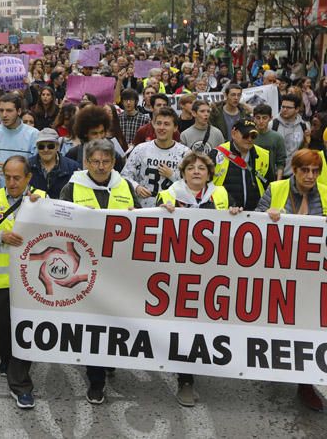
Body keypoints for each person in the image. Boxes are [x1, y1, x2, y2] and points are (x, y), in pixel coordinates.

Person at [156, 152, 242, 406]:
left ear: (209, 173)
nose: (196, 171)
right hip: (176, 268)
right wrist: (161, 211)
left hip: (212, 270)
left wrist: (236, 211)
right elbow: (149, 222)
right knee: (183, 322)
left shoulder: (222, 194)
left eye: (201, 168)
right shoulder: (170, 194)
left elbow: (239, 220)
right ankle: (185, 379)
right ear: (182, 172)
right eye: (191, 167)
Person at [59, 139, 141, 404]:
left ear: (113, 162)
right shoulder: (71, 187)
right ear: (86, 162)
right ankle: (96, 381)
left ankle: (109, 359)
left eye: (106, 161)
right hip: (86, 268)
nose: (101, 166)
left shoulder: (125, 185)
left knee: (116, 321)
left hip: (120, 268)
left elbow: (144, 218)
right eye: (95, 161)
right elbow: (58, 221)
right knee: (94, 324)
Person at [256, 148, 327, 411]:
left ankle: (306, 385)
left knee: (310, 327)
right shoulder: (276, 188)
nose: (310, 176)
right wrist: (268, 217)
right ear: (294, 170)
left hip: (314, 274)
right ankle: (275, 363)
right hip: (279, 270)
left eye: (315, 171)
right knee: (278, 321)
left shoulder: (325, 192)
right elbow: (253, 223)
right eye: (305, 170)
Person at [0, 156, 45, 410]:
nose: (12, 183)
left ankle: (21, 385)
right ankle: (5, 358)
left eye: (17, 178)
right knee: (3, 330)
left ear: (28, 178)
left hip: (31, 284)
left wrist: (42, 209)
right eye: (8, 177)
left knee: (23, 334)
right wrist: (0, 235)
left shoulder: (41, 199)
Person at [122, 107, 190, 208]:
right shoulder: (140, 149)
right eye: (158, 123)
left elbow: (193, 185)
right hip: (143, 210)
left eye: (166, 124)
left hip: (172, 211)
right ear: (153, 124)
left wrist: (172, 175)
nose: (161, 127)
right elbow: (124, 176)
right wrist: (136, 187)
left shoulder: (185, 153)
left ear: (175, 127)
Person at [0, 93, 39, 187]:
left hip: (25, 193)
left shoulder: (33, 135)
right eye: (1, 110)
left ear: (19, 111)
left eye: (9, 111)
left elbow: (36, 167)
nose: (4, 115)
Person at [65, 105, 125, 171]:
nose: (99, 137)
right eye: (94, 133)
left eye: (102, 132)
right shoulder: (74, 154)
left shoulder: (114, 154)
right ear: (85, 134)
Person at [29, 128, 80, 199]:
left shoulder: (73, 167)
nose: (46, 150)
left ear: (57, 146)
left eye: (50, 146)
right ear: (37, 147)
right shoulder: (27, 166)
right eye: (41, 146)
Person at [273, 94, 308, 177]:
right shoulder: (273, 124)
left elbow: (304, 150)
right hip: (275, 174)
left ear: (297, 109)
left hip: (294, 174)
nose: (285, 110)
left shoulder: (304, 126)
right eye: (283, 107)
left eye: (289, 108)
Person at [253, 104, 286, 181]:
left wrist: (277, 182)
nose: (261, 121)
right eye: (258, 118)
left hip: (270, 178)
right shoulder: (249, 136)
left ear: (270, 118)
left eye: (264, 118)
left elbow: (280, 163)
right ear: (253, 118)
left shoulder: (277, 138)